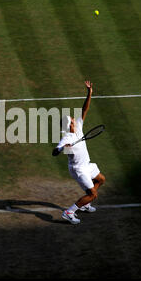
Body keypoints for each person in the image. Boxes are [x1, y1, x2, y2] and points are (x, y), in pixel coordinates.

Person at [52, 80, 106, 224]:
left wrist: (89, 93)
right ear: (69, 125)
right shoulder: (67, 138)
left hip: (86, 164)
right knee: (93, 194)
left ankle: (85, 203)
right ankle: (69, 212)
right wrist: (61, 148)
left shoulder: (79, 127)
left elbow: (84, 110)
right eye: (72, 121)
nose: (75, 121)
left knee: (101, 179)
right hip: (78, 169)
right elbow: (55, 151)